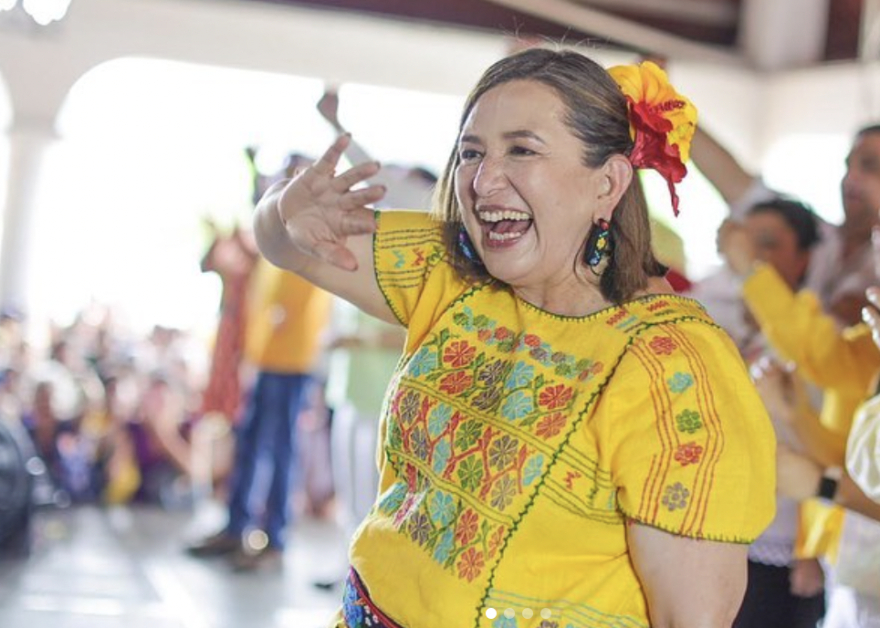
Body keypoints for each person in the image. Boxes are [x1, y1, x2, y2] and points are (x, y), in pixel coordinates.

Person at [255, 49, 776, 628]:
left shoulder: (673, 367)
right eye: (471, 152)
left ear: (607, 183)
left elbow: (691, 619)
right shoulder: (450, 273)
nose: (481, 181)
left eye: (521, 150)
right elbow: (293, 245)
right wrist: (282, 211)